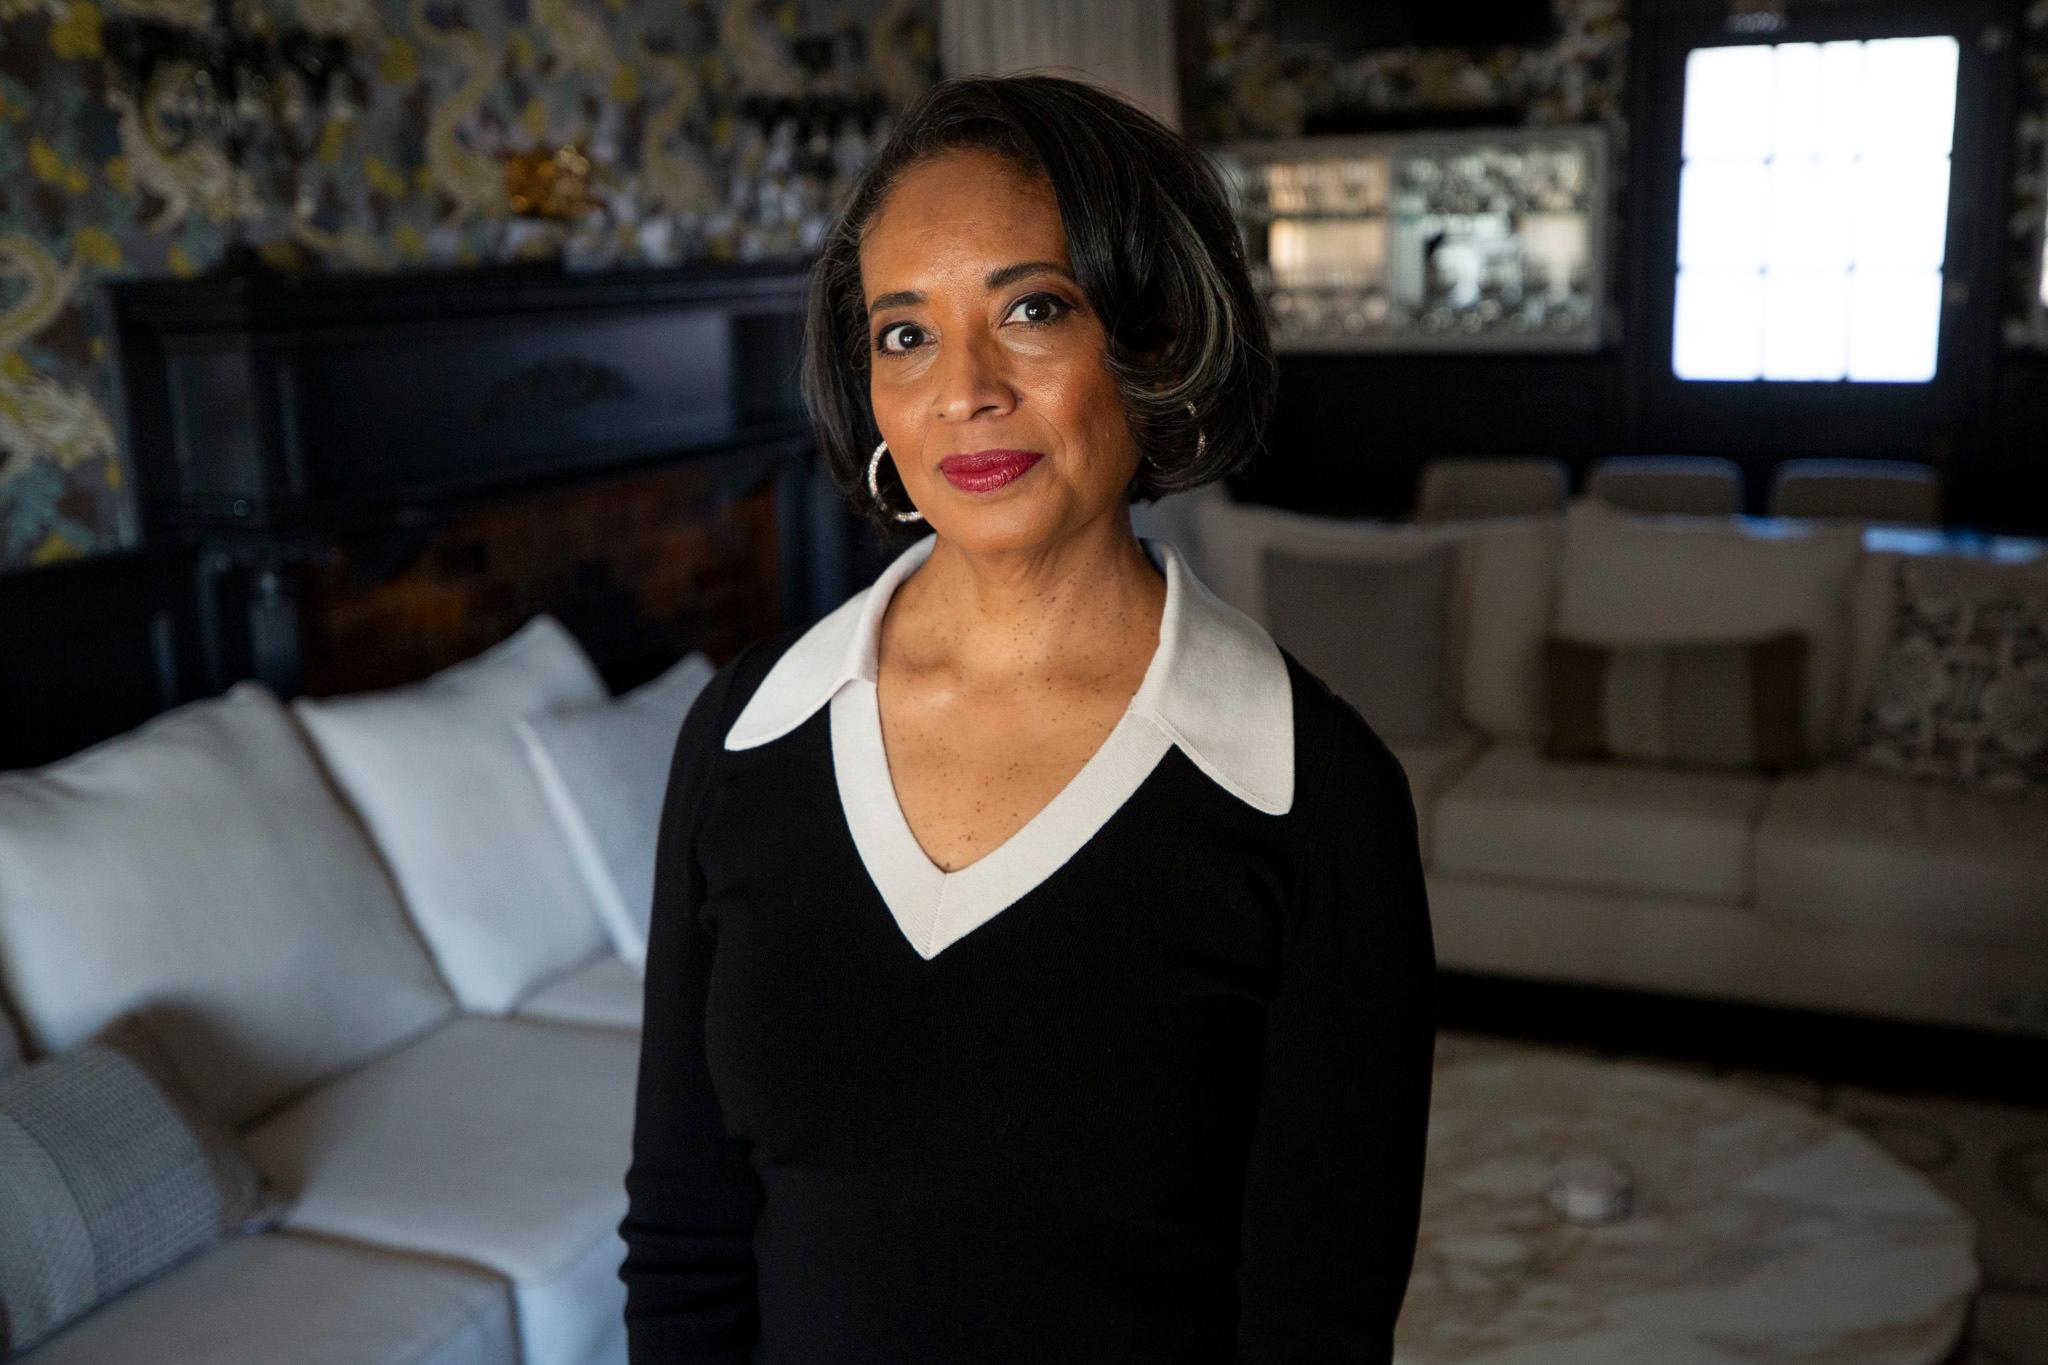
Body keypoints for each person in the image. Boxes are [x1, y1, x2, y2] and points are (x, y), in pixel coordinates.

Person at [617, 73, 1437, 1364]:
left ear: (1154, 340)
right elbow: (684, 1241)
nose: (965, 389)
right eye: (907, 335)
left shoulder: (1311, 794)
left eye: (1033, 310)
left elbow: (1314, 1331)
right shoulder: (747, 735)